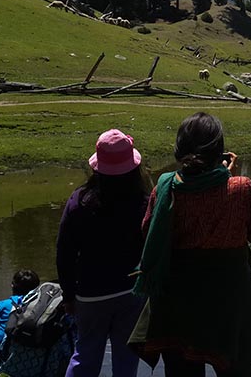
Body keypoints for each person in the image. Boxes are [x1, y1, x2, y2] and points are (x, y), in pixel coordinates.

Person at [129, 112, 251, 377]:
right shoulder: (241, 188)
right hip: (228, 305)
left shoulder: (165, 188)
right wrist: (228, 180)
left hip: (177, 305)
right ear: (219, 151)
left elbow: (148, 231)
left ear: (179, 148)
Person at [57, 129, 149, 377]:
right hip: (130, 291)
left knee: (85, 354)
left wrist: (68, 295)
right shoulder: (143, 201)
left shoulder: (79, 202)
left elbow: (64, 252)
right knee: (126, 360)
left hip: (89, 294)